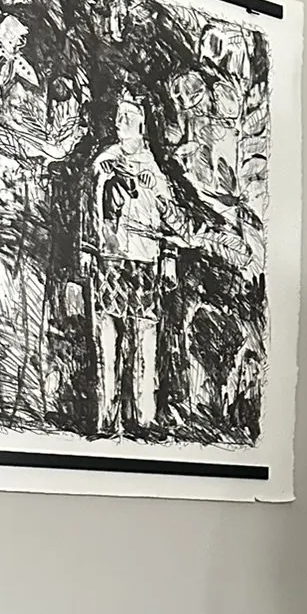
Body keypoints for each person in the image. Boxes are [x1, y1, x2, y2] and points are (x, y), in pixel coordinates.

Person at [85, 96, 191, 436]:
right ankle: (106, 417)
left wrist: (169, 258)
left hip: (145, 260)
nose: (121, 123)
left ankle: (144, 417)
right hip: (111, 259)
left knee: (145, 334)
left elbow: (174, 222)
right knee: (108, 334)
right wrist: (89, 248)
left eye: (129, 117)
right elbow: (90, 210)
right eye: (119, 117)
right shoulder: (104, 162)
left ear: (144, 123)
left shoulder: (154, 169)